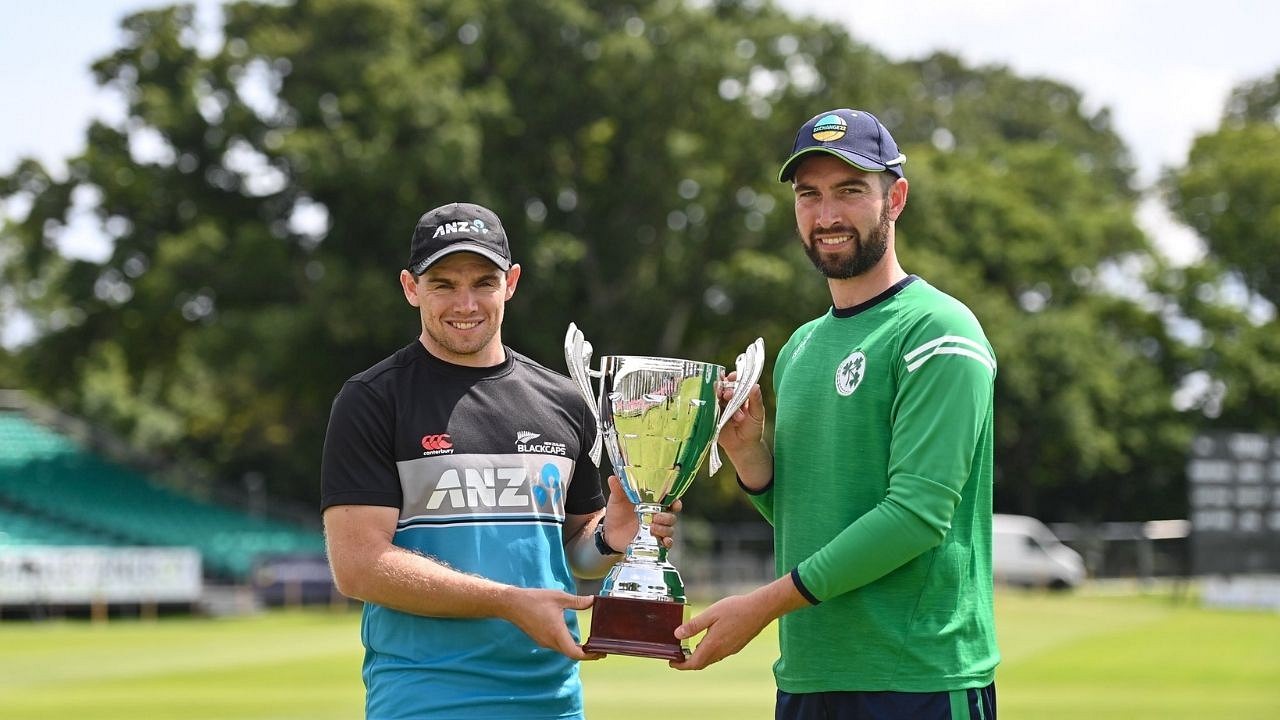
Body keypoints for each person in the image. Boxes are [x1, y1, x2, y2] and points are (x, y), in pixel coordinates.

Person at [672, 108, 1000, 719]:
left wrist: (763, 605)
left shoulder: (938, 331)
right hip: (810, 677)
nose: (827, 216)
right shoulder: (799, 347)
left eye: (850, 192)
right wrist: (749, 456)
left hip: (918, 679)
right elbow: (804, 512)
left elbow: (915, 516)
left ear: (895, 197)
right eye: (809, 195)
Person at [320, 201, 678, 720]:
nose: (465, 302)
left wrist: (613, 537)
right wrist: (508, 601)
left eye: (483, 282)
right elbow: (358, 567)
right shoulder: (373, 400)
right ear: (410, 288)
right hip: (425, 700)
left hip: (552, 698)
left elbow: (577, 553)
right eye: (443, 284)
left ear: (510, 282)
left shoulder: (563, 400)